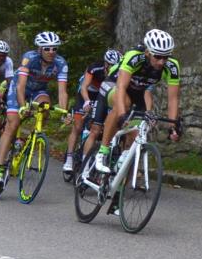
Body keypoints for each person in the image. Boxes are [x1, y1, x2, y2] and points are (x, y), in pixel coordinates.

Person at [0, 32, 69, 191]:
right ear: (39, 49)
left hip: (38, 91)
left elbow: (62, 91)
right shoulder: (29, 58)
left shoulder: (61, 63)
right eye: (47, 48)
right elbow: (20, 86)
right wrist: (23, 106)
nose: (51, 52)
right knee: (13, 124)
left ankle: (29, 138)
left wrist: (64, 113)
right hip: (19, 89)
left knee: (45, 108)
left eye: (54, 48)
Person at [94, 29, 181, 174]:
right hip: (114, 85)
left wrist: (173, 125)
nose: (162, 62)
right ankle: (102, 152)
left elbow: (173, 98)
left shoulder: (172, 66)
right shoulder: (134, 56)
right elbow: (121, 87)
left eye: (166, 57)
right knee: (124, 104)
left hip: (138, 93)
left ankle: (121, 166)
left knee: (137, 134)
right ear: (147, 52)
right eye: (158, 56)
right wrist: (122, 115)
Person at [62, 49, 123, 172]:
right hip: (87, 93)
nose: (113, 68)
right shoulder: (95, 67)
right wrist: (86, 101)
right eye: (110, 65)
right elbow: (84, 87)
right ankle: (69, 158)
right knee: (78, 126)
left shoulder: (119, 73)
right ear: (106, 64)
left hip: (103, 96)